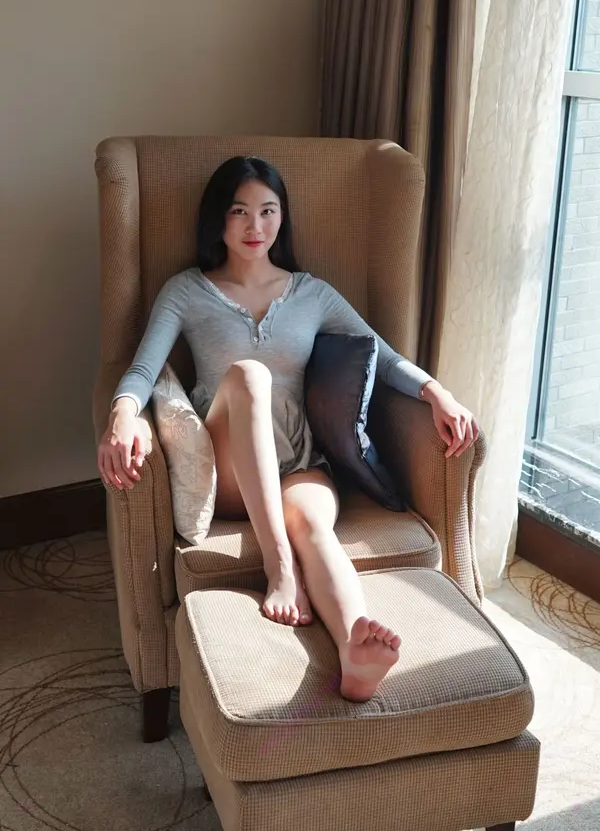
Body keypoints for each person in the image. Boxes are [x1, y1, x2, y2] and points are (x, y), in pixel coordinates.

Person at [97, 156, 479, 702]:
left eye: (268, 211)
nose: (255, 226)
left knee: (315, 527)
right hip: (228, 469)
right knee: (249, 377)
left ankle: (355, 649)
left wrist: (437, 393)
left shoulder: (312, 293)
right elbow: (141, 368)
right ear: (218, 219)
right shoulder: (186, 290)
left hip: (299, 463)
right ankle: (281, 568)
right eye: (239, 211)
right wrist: (122, 415)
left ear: (282, 217)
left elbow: (385, 358)